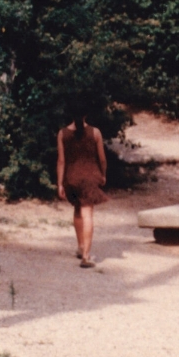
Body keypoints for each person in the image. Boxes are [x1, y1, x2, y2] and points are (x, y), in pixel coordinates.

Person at [56, 113, 108, 267]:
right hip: (89, 178)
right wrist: (103, 175)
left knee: (77, 210)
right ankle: (86, 255)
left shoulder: (62, 133)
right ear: (86, 114)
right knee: (88, 214)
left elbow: (61, 161)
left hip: (71, 178)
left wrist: (60, 183)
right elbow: (102, 159)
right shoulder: (95, 132)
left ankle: (80, 247)